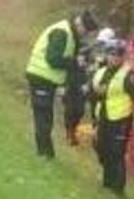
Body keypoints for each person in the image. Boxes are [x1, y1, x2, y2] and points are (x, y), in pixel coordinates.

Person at [24, 9, 100, 158]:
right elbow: (53, 59)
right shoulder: (62, 32)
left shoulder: (71, 34)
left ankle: (45, 153)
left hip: (47, 79)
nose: (85, 35)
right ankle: (45, 154)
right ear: (80, 24)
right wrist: (74, 62)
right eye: (85, 31)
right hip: (41, 77)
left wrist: (80, 62)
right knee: (43, 116)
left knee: (45, 116)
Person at [89, 38, 134, 196]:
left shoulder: (128, 74)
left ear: (123, 57)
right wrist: (96, 93)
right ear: (107, 55)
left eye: (118, 55)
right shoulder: (100, 72)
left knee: (117, 152)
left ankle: (118, 189)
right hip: (103, 116)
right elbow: (92, 95)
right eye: (112, 54)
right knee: (101, 147)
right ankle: (107, 182)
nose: (114, 58)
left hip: (121, 119)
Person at [64, 27, 117, 146]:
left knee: (99, 114)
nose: (102, 46)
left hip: (103, 88)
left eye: (104, 43)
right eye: (101, 43)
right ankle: (70, 132)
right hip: (86, 85)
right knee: (77, 110)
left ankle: (98, 140)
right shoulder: (91, 50)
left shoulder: (115, 54)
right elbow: (81, 65)